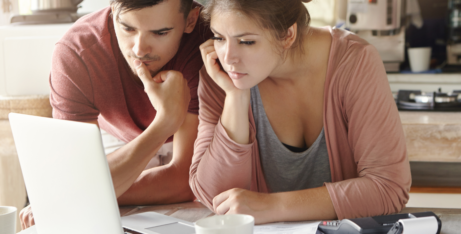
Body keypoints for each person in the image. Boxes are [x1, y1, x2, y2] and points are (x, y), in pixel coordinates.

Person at [189, 0, 411, 224]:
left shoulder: (354, 61)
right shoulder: (219, 74)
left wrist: (271, 206)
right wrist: (235, 97)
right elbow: (215, 198)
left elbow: (388, 187)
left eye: (247, 41)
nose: (228, 58)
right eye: (219, 37)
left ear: (287, 34)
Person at [20, 0, 212, 229]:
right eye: (128, 28)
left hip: (196, 139)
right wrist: (164, 123)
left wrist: (78, 195)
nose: (139, 49)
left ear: (190, 20)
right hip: (116, 138)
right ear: (112, 10)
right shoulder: (75, 52)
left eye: (160, 32)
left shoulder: (205, 40)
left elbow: (183, 181)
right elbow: (73, 176)